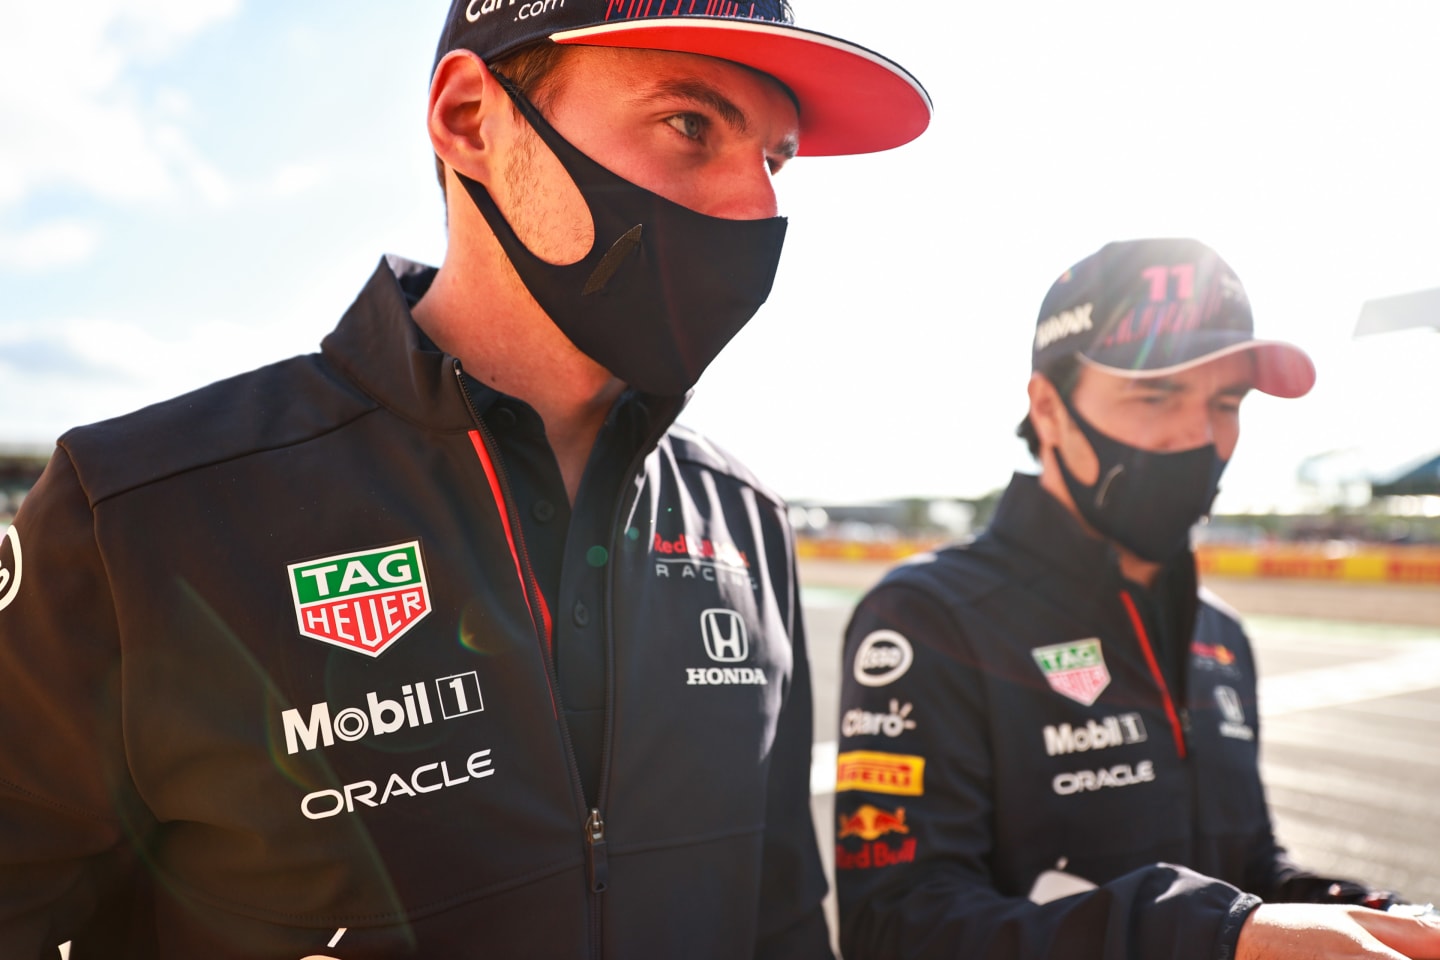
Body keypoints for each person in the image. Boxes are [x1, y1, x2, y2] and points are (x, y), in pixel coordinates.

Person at [0, 3, 931, 956]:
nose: (759, 206)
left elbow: (778, 925)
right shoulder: (139, 514)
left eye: (776, 160)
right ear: (469, 120)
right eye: (689, 125)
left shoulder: (745, 525)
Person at [833, 237, 1440, 960]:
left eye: (1226, 401)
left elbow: (1248, 875)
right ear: (1048, 408)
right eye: (1155, 393)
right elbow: (898, 928)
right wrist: (1211, 937)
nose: (1199, 435)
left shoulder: (1218, 634)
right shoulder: (927, 618)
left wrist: (1381, 917)